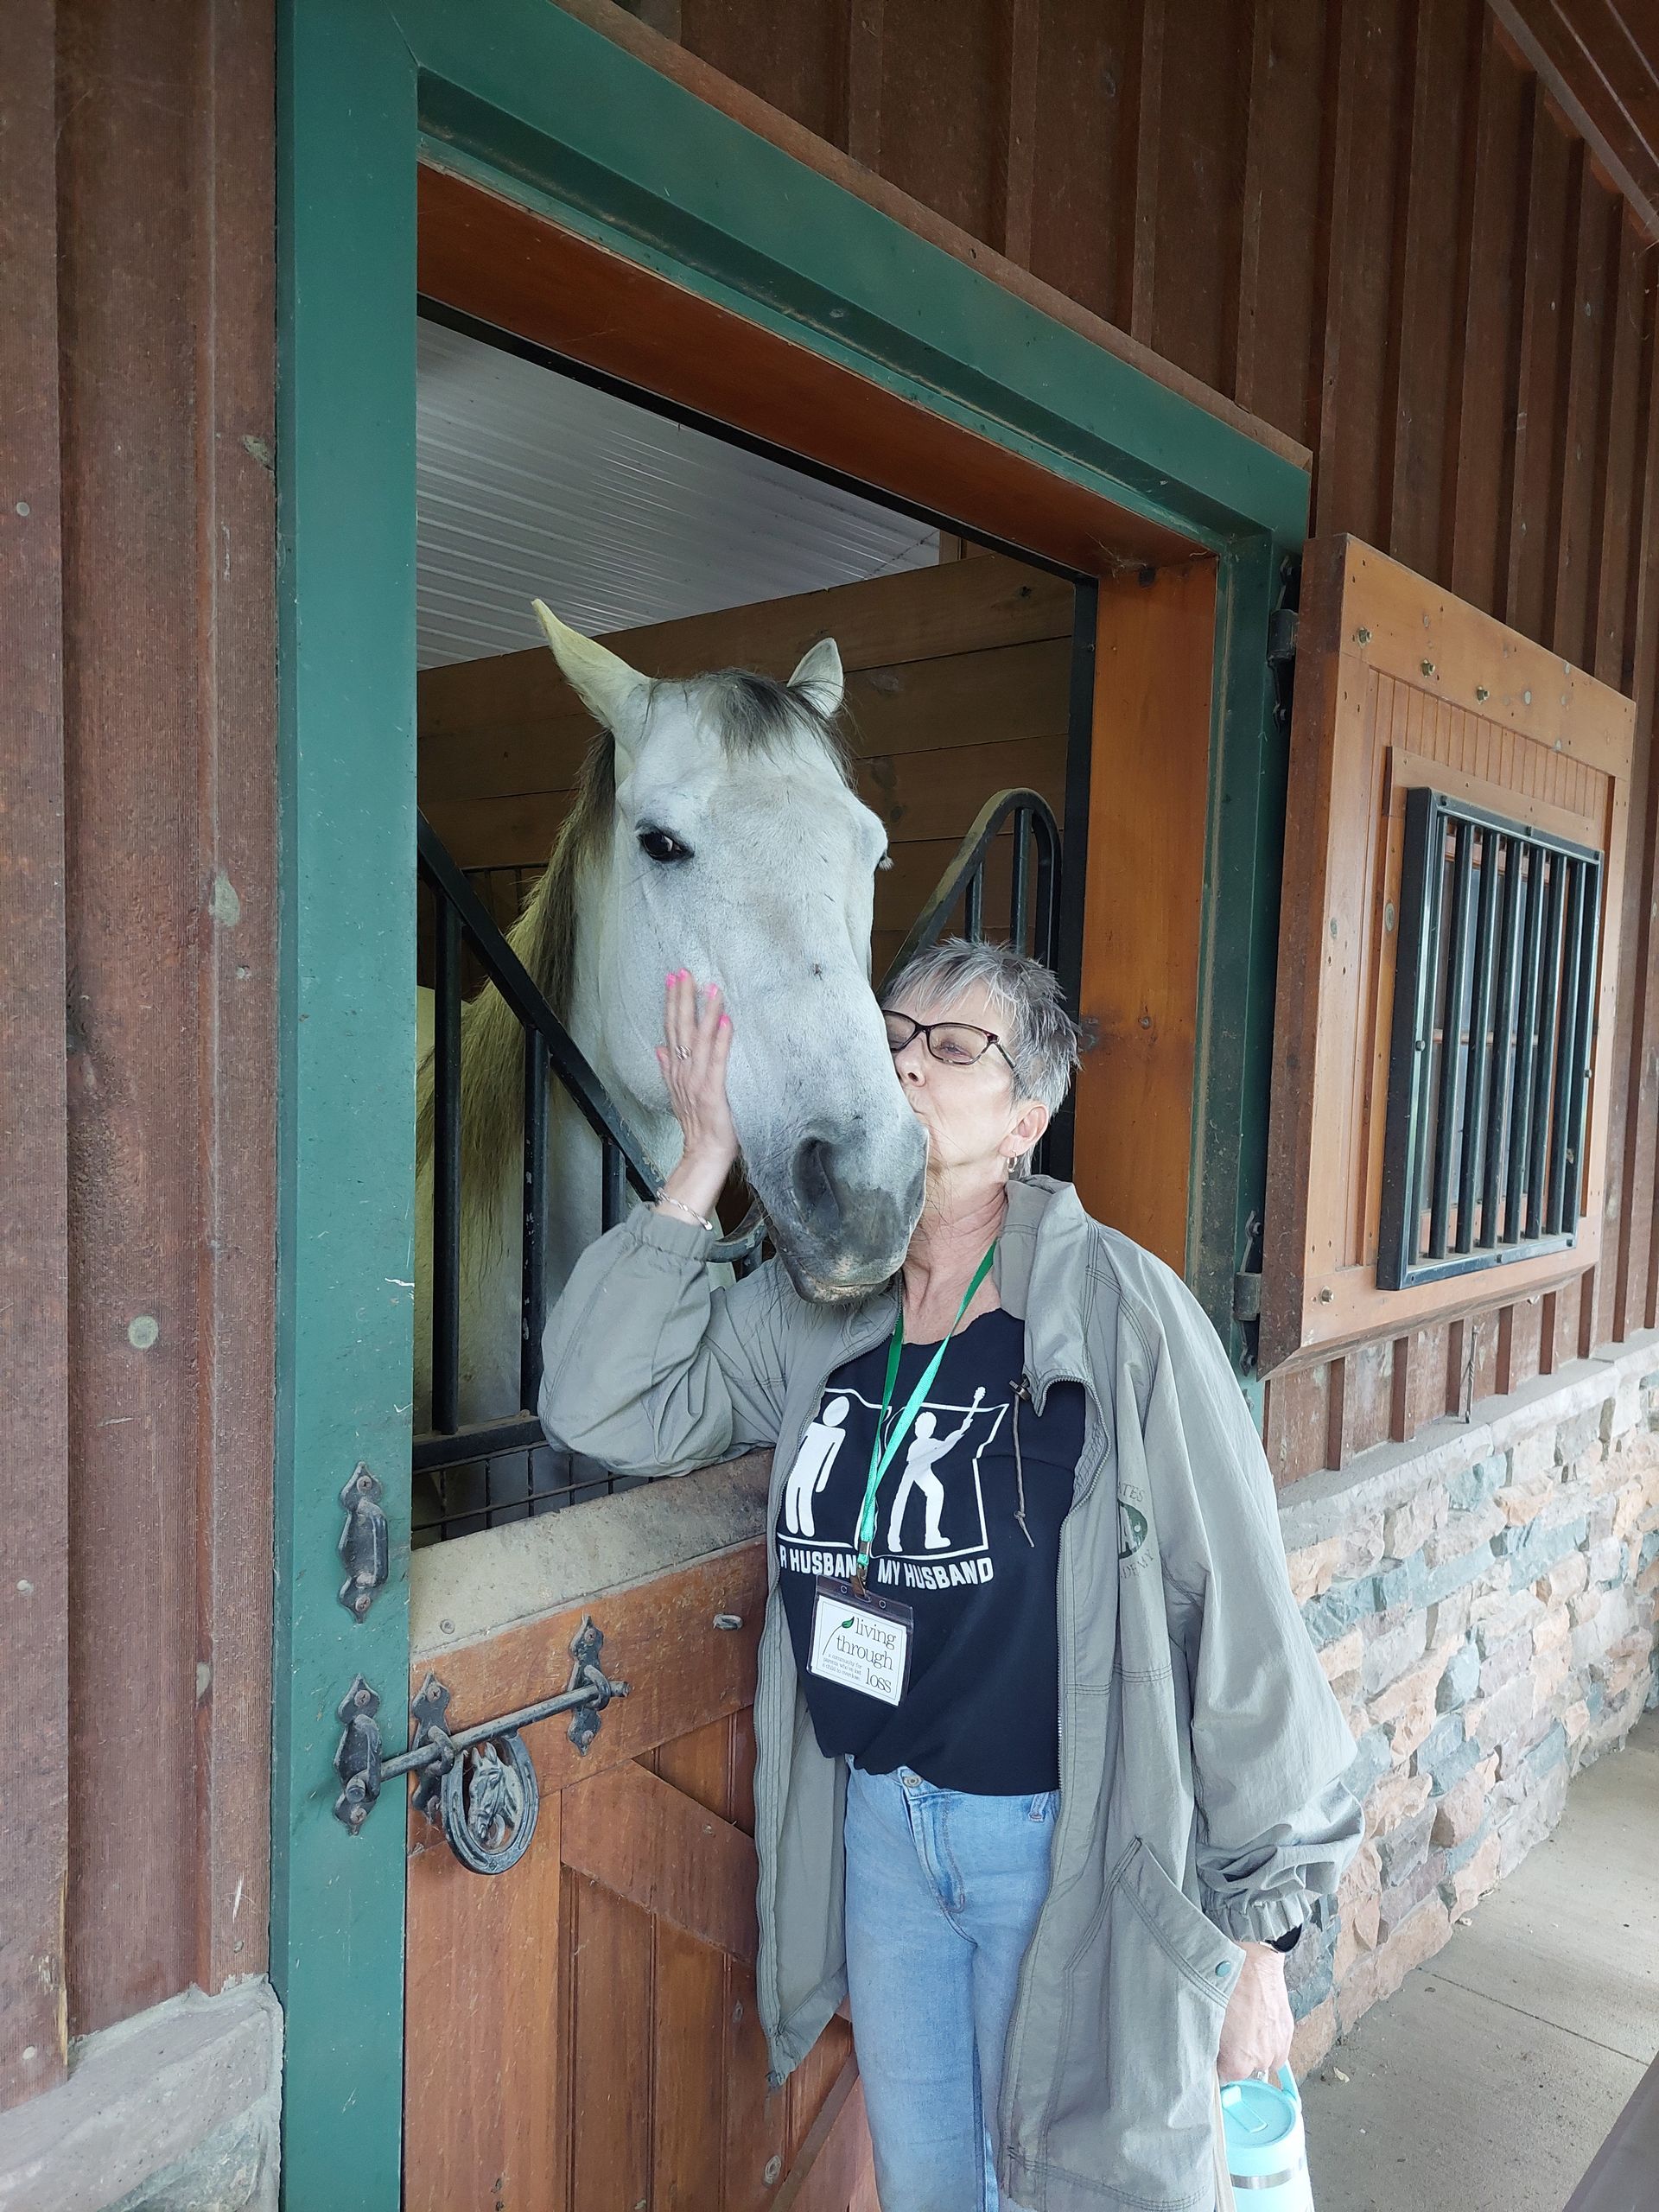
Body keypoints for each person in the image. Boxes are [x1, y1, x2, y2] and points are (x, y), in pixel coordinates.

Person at [540, 940, 1363, 2212]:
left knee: (1076, 2190)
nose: (907, 1064)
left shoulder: (1118, 1310)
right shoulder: (820, 1301)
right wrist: (700, 1167)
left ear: (1027, 1119)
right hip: (885, 1830)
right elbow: (601, 1403)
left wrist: (1264, 1937)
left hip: (1057, 1850)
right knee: (931, 2190)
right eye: (892, 1038)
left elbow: (1239, 1617)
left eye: (954, 1047)